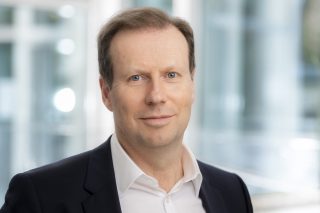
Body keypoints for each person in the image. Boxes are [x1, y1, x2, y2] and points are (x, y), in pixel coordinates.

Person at [0, 7, 253, 213]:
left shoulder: (232, 193)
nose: (156, 96)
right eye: (136, 78)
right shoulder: (41, 197)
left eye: (171, 75)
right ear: (106, 93)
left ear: (192, 84)